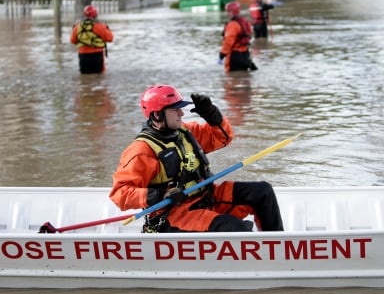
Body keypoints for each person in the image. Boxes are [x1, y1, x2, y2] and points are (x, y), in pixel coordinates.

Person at [109, 84, 284, 233]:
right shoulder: (141, 151)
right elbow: (120, 194)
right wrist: (160, 194)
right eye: (175, 109)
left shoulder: (185, 132)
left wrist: (213, 116)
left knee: (263, 191)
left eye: (180, 108)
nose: (181, 114)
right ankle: (255, 250)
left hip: (206, 197)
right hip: (175, 214)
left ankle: (279, 243)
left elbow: (222, 137)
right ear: (157, 115)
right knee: (235, 228)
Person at [69, 4, 114, 74]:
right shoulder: (100, 26)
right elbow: (110, 38)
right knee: (99, 78)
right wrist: (106, 28)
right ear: (95, 15)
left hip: (83, 56)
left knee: (85, 78)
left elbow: (72, 40)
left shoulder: (77, 27)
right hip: (97, 55)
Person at [220, 1, 257, 72]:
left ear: (233, 12)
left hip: (235, 55)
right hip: (245, 55)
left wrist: (222, 53)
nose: (227, 14)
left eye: (229, 11)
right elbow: (249, 34)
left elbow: (228, 41)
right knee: (244, 78)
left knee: (232, 79)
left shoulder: (232, 25)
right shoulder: (245, 21)